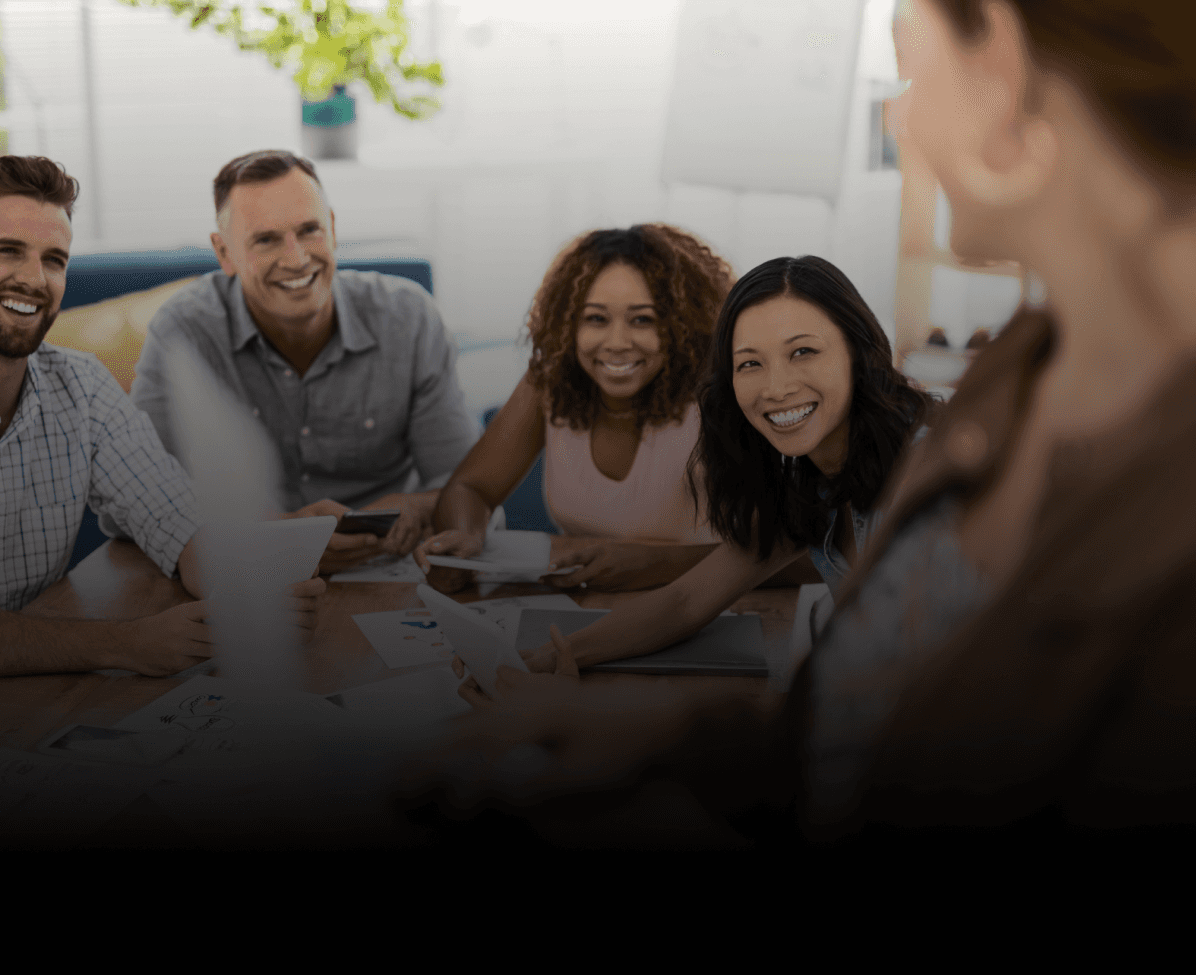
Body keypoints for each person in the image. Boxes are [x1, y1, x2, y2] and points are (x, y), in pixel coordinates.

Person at [404, 0, 1196, 839]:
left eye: (908, 72)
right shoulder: (1016, 377)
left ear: (997, 59)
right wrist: (663, 735)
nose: (897, 115)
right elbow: (878, 719)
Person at [0, 156, 321, 769]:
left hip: (22, 707)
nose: (34, 280)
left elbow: (175, 518)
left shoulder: (82, 386)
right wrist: (127, 645)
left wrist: (247, 593)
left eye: (53, 260)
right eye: (8, 252)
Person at [475, 255, 932, 676]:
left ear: (858, 350)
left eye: (803, 352)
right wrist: (552, 658)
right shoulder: (809, 477)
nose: (775, 387)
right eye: (750, 363)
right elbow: (685, 602)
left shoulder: (927, 469)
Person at [131, 150, 479, 574]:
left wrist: (413, 507)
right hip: (246, 575)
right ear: (224, 253)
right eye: (266, 239)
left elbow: (469, 487)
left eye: (309, 230)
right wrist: (283, 535)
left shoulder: (409, 319)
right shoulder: (182, 332)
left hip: (389, 571)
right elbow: (141, 499)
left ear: (332, 228)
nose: (296, 259)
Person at [415, 225, 733, 595]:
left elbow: (796, 558)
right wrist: (465, 537)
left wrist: (656, 564)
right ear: (568, 324)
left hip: (710, 611)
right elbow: (470, 487)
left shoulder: (721, 394)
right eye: (596, 319)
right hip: (582, 609)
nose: (616, 343)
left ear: (683, 325)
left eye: (643, 319)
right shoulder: (550, 382)